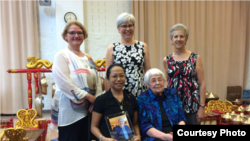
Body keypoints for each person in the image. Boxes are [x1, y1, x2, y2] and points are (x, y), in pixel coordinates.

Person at [52, 20, 102, 141]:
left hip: (89, 110)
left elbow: (98, 81)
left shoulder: (88, 57)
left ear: (84, 36)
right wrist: (89, 97)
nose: (76, 35)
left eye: (80, 32)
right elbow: (64, 83)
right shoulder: (61, 55)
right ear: (65, 36)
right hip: (69, 111)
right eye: (72, 32)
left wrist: (97, 100)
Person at [163, 23, 206, 125]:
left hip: (192, 105)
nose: (179, 39)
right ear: (171, 40)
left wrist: (202, 107)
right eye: (175, 36)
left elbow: (202, 83)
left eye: (181, 36)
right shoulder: (166, 60)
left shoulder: (195, 58)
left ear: (186, 39)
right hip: (173, 105)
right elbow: (166, 82)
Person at [105, 12, 151, 97]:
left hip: (140, 91)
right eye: (124, 26)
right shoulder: (112, 48)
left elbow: (148, 72)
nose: (128, 29)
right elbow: (108, 76)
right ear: (118, 29)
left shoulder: (143, 46)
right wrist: (108, 97)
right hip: (119, 92)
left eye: (130, 25)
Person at [91, 64, 141, 141]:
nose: (119, 79)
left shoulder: (131, 98)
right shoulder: (101, 100)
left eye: (121, 76)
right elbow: (94, 127)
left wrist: (138, 136)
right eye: (114, 76)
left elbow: (135, 123)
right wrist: (103, 138)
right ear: (107, 79)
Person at [137, 68, 186, 141]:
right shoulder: (142, 99)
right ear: (147, 84)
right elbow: (145, 126)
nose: (157, 83)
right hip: (155, 137)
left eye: (160, 79)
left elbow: (181, 118)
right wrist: (165, 136)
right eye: (153, 80)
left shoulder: (172, 94)